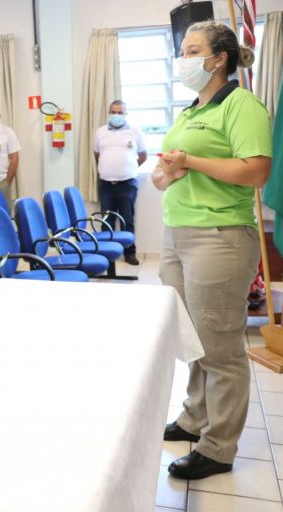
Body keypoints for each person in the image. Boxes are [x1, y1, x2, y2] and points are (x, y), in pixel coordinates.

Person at [153, 21, 270, 480]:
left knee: (220, 347)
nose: (182, 58)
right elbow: (163, 175)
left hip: (219, 236)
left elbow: (256, 171)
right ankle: (193, 418)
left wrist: (191, 162)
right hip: (177, 234)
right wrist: (167, 173)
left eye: (192, 50)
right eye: (182, 50)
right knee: (192, 339)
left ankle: (218, 447)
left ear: (219, 59)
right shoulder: (189, 111)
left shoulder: (241, 105)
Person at [93, 100, 146, 265]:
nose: (116, 115)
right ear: (109, 113)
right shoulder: (100, 132)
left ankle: (129, 253)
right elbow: (97, 154)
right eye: (113, 112)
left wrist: (128, 168)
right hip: (106, 184)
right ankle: (106, 255)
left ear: (125, 114)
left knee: (127, 220)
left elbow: (143, 155)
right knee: (106, 221)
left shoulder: (135, 132)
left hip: (127, 184)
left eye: (120, 112)